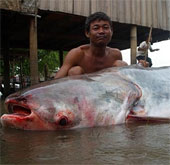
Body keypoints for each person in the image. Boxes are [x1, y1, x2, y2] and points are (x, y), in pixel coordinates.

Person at [55, 12, 128, 79]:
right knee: (75, 71)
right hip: (83, 91)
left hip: (108, 90)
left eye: (105, 27)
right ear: (87, 33)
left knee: (120, 65)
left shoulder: (116, 54)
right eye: (96, 28)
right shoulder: (77, 54)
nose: (101, 31)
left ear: (111, 32)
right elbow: (56, 80)